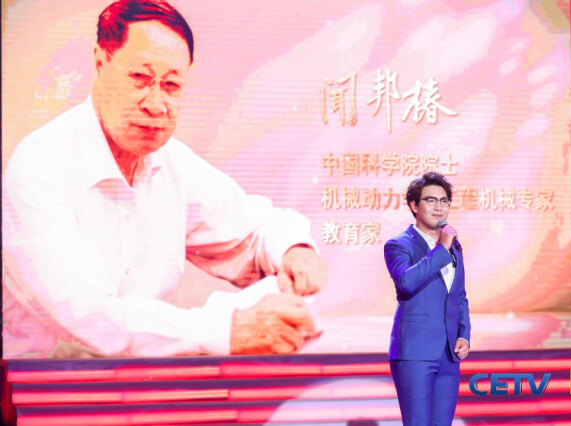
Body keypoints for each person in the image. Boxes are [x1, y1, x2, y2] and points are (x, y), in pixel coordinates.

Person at [2, 0, 327, 358]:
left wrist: (293, 249)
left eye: (171, 85)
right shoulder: (39, 166)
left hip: (146, 384)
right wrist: (226, 331)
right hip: (42, 386)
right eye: (139, 79)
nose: (156, 105)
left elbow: (251, 232)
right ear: (100, 63)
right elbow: (90, 314)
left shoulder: (172, 163)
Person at [384, 172, 471, 425]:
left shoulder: (454, 247)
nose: (439, 207)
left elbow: (459, 296)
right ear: (414, 205)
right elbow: (406, 282)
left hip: (448, 353)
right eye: (431, 200)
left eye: (444, 201)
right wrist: (441, 248)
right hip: (415, 352)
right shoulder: (399, 245)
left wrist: (464, 334)